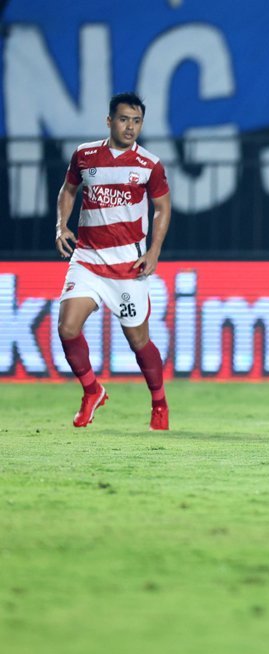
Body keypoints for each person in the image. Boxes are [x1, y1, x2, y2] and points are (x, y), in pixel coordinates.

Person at [55, 92, 172, 430]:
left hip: (127, 267)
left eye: (136, 121)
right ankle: (92, 390)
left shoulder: (149, 164)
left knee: (139, 342)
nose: (130, 127)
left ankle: (159, 402)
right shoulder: (85, 155)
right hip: (88, 259)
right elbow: (68, 190)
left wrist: (154, 252)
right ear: (109, 121)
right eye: (124, 119)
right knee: (67, 327)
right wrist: (62, 225)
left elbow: (163, 207)